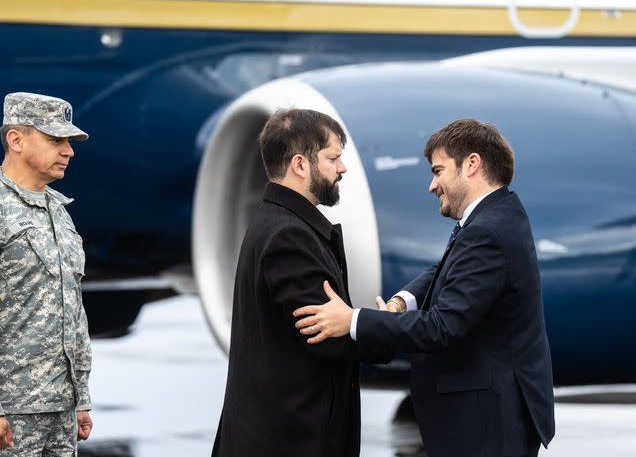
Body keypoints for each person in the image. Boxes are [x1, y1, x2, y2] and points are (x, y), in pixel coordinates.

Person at [294, 118, 555, 457]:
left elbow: (443, 327)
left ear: (472, 165)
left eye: (438, 170)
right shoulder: (498, 215)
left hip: (486, 423)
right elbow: (446, 271)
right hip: (489, 415)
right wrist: (402, 302)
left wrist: (354, 321)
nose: (432, 185)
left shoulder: (486, 230)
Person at [212, 108, 388, 457]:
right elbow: (328, 339)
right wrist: (386, 328)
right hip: (290, 441)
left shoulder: (279, 223)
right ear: (300, 165)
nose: (343, 168)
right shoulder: (289, 236)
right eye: (333, 158)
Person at [0, 92, 93, 456]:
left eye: (69, 142)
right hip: (4, 416)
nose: (68, 151)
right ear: (16, 139)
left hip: (57, 413)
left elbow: (72, 310)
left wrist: (79, 397)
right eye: (55, 140)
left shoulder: (59, 213)